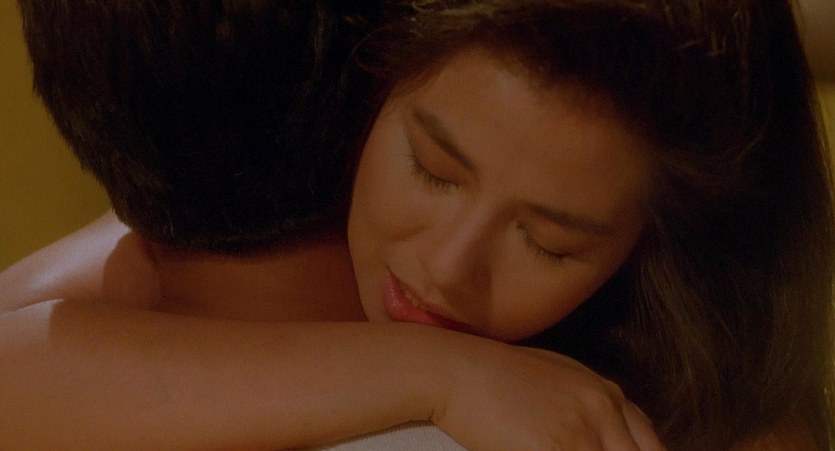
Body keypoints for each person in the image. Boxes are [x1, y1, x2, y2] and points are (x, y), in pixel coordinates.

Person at [1, 1, 832, 451]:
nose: (447, 263)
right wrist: (443, 372)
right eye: (433, 168)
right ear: (374, 88)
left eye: (548, 243)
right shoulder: (240, 213)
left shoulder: (718, 406)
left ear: (650, 249)